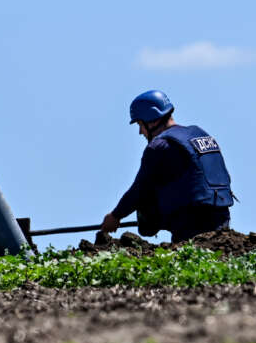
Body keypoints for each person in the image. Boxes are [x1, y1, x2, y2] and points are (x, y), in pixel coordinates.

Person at [100, 90, 235, 242]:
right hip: (221, 219)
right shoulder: (200, 135)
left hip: (191, 225)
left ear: (151, 120)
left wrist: (115, 216)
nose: (140, 132)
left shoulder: (159, 146)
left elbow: (139, 190)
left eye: (140, 124)